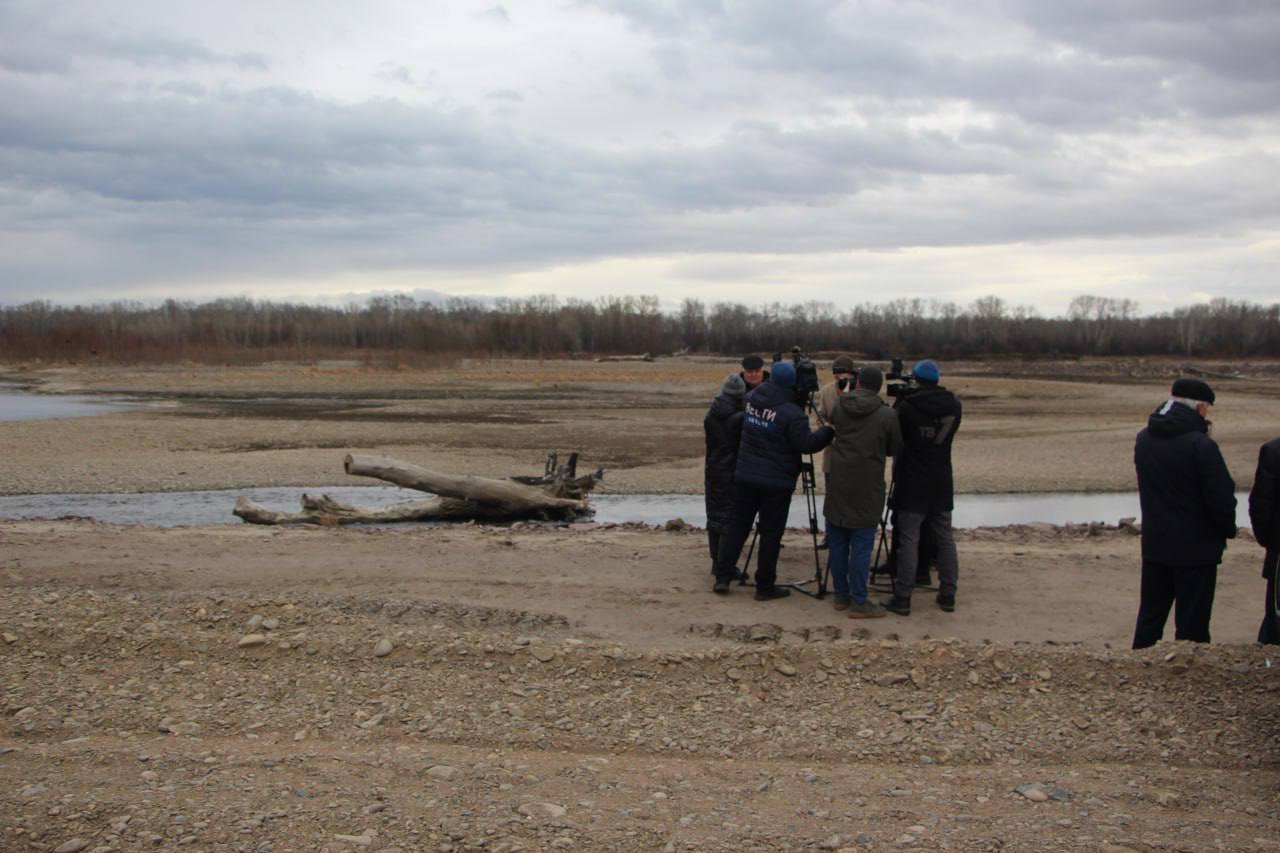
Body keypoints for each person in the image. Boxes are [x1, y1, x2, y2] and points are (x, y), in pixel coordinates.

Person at [713, 361, 834, 600]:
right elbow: (805, 444)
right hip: (776, 482)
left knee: (738, 526)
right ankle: (764, 586)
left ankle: (722, 575)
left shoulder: (752, 399)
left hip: (746, 474)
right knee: (770, 533)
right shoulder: (792, 413)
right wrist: (827, 432)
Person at [1132, 378, 1237, 649]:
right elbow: (1221, 497)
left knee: (1150, 617)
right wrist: (1227, 529)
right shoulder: (1201, 446)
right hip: (1197, 549)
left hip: (1155, 542)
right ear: (1200, 407)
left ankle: (1139, 663)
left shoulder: (1144, 439)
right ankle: (1189, 669)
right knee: (1193, 625)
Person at [882, 359, 961, 616]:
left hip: (912, 479)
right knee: (945, 537)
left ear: (916, 379)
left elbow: (895, 440)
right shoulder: (954, 405)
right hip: (941, 479)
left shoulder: (907, 406)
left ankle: (903, 596)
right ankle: (948, 593)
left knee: (909, 538)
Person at [824, 366, 901, 617]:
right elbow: (895, 448)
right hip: (868, 485)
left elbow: (832, 422)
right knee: (861, 545)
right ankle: (859, 601)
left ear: (857, 383)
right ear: (878, 387)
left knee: (837, 542)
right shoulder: (886, 415)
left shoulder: (840, 405)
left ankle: (841, 595)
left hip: (839, 481)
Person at [703, 373, 746, 576]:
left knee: (714, 517)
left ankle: (716, 562)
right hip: (732, 471)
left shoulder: (711, 415)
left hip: (713, 470)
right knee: (730, 520)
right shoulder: (739, 418)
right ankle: (725, 566)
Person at [1247, 437, 1280, 645]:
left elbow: (1261, 505)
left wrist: (1270, 542)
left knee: (1275, 622)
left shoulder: (1274, 451)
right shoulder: (1273, 451)